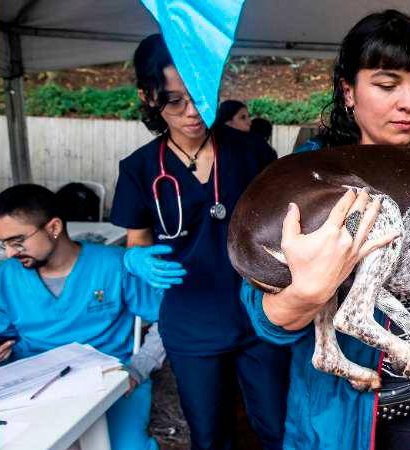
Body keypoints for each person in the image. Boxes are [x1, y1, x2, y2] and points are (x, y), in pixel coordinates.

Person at [237, 10, 410, 450]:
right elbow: (262, 317)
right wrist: (305, 295)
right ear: (349, 91)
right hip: (335, 421)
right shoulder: (309, 178)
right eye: (387, 85)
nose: (409, 103)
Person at [109, 34, 288, 450]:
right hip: (191, 323)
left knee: (276, 427)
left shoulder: (252, 153)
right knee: (209, 435)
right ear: (147, 97)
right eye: (174, 102)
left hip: (259, 314)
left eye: (201, 96)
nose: (192, 112)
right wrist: (135, 260)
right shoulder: (138, 169)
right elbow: (136, 241)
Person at [0, 184, 179, 450]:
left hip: (109, 379)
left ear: (54, 228)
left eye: (17, 241)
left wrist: (138, 368)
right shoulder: (7, 276)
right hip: (32, 387)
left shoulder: (113, 265)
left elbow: (167, 319)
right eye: (2, 243)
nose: (9, 253)